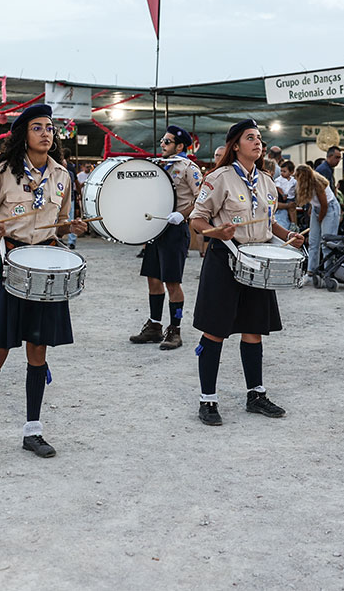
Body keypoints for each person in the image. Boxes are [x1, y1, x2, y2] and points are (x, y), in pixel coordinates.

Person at [0, 104, 86, 466]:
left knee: (38, 352)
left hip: (46, 269)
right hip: (11, 266)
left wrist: (71, 227)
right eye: (38, 127)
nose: (46, 133)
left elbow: (59, 223)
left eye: (50, 127)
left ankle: (33, 430)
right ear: (24, 134)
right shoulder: (5, 171)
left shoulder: (62, 175)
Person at [188, 119, 305, 426]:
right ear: (235, 146)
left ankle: (256, 395)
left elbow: (268, 223)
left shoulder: (267, 182)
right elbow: (196, 221)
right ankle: (208, 400)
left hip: (258, 263)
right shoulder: (218, 178)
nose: (257, 142)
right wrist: (217, 231)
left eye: (259, 138)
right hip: (225, 259)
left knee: (254, 330)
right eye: (250, 138)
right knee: (215, 330)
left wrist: (287, 235)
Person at [129, 125, 202, 351]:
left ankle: (175, 329)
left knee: (172, 282)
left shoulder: (190, 168)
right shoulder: (158, 165)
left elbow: (202, 198)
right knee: (153, 279)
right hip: (155, 227)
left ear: (180, 146)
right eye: (162, 140)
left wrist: (182, 214)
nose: (162, 144)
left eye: (167, 141)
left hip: (175, 228)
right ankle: (155, 326)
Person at [294, 164, 340, 275]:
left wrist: (319, 219)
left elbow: (324, 206)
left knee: (326, 242)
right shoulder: (308, 184)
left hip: (329, 208)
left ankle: (328, 270)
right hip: (317, 208)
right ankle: (311, 271)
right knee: (313, 242)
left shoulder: (318, 184)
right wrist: (312, 208)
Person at [273, 160, 296, 230]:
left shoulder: (294, 180)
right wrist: (282, 194)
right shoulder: (279, 179)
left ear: (291, 172)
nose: (282, 173)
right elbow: (278, 187)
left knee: (292, 209)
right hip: (283, 198)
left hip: (291, 197)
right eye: (281, 171)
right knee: (290, 207)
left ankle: (293, 223)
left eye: (284, 171)